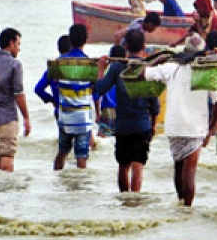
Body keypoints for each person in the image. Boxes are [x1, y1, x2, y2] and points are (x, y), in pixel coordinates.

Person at [142, 34, 217, 206]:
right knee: (190, 171)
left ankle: (180, 202)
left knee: (178, 167)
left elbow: (143, 73)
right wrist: (211, 127)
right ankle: (187, 208)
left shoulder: (171, 68)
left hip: (174, 127)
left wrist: (158, 60)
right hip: (195, 128)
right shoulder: (206, 72)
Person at [95, 30, 160, 192]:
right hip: (142, 124)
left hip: (123, 125)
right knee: (138, 165)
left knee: (123, 165)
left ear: (125, 46)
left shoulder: (118, 67)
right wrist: (153, 125)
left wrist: (101, 70)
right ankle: (135, 201)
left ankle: (124, 200)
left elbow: (100, 89)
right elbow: (155, 102)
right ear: (144, 47)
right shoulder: (147, 68)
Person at [53, 24, 100, 170]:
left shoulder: (59, 62)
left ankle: (57, 182)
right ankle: (80, 189)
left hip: (65, 116)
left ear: (70, 41)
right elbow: (96, 88)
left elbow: (55, 82)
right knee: (81, 157)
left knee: (62, 152)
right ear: (85, 41)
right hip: (83, 118)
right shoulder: (90, 64)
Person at [0, 28, 31, 172]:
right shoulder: (15, 64)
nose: (19, 49)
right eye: (18, 44)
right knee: (7, 158)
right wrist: (26, 117)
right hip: (7, 118)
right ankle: (8, 192)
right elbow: (18, 93)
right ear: (11, 43)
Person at [35, 34, 71, 120]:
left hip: (60, 111)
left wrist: (52, 100)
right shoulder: (77, 68)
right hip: (77, 112)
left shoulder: (53, 68)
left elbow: (38, 89)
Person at [96, 44, 125, 138]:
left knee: (103, 141)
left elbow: (96, 95)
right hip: (124, 111)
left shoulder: (105, 73)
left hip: (107, 110)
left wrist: (97, 114)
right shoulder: (127, 74)